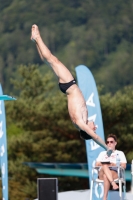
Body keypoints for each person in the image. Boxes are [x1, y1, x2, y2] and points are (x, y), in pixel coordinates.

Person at [30, 24, 112, 156]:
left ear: (87, 131)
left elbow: (95, 138)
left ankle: (37, 38)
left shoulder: (80, 123)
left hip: (69, 85)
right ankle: (36, 41)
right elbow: (92, 132)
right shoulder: (81, 122)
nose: (95, 127)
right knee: (48, 61)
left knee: (53, 60)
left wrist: (106, 148)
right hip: (68, 87)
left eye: (93, 129)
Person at [95, 134, 127, 200]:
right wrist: (106, 164)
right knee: (104, 165)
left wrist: (114, 164)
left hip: (114, 172)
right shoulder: (102, 153)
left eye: (111, 142)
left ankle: (104, 198)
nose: (109, 144)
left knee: (106, 176)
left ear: (115, 143)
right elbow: (97, 164)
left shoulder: (120, 153)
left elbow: (124, 165)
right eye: (107, 142)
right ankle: (113, 183)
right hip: (102, 171)